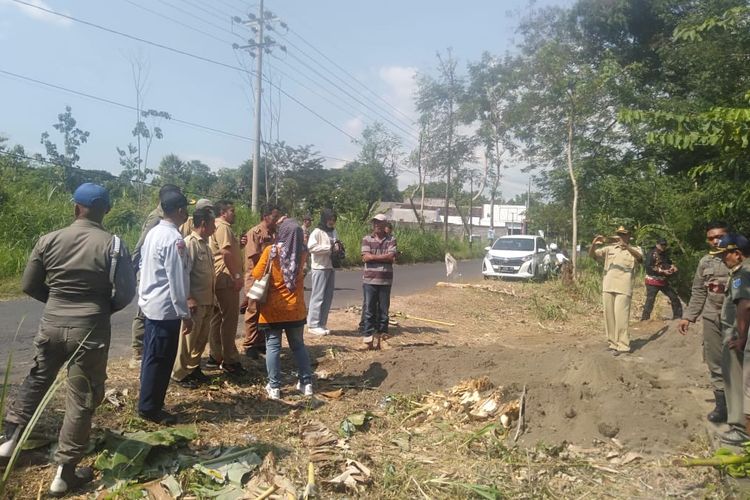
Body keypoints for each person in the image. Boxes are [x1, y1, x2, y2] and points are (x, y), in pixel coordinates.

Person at [0, 183, 136, 496]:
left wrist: (56, 301)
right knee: (81, 396)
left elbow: (28, 284)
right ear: (107, 211)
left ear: (75, 208)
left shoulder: (48, 239)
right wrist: (101, 309)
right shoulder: (114, 244)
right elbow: (127, 294)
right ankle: (64, 472)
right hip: (90, 329)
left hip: (51, 324)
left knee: (37, 379)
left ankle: (9, 441)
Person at [137, 190, 192, 425]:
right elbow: (177, 279)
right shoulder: (174, 239)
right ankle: (150, 407)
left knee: (151, 356)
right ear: (179, 211)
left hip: (152, 304)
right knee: (160, 359)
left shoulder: (154, 233)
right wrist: (184, 313)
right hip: (165, 309)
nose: (188, 213)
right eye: (186, 209)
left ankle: (147, 400)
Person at [129, 184, 191, 369]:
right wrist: (134, 269)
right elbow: (142, 245)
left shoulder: (171, 225)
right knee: (144, 316)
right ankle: (137, 351)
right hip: (153, 273)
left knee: (157, 357)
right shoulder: (156, 219)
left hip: (161, 269)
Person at [252, 219, 314, 400]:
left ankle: (275, 387)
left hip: (273, 309)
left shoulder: (271, 251)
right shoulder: (302, 252)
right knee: (298, 346)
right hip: (295, 308)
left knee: (273, 347)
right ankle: (306, 383)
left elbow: (257, 274)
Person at [678, 221, 730, 423]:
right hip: (711, 316)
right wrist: (688, 316)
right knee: (715, 361)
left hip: (736, 318)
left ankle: (742, 407)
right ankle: (722, 406)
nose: (716, 241)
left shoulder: (740, 258)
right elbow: (699, 291)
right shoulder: (705, 262)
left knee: (740, 362)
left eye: (720, 236)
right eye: (711, 238)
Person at [710, 234, 750, 445]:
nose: (724, 258)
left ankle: (739, 427)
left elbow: (744, 305)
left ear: (737, 254)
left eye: (726, 254)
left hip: (736, 335)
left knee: (735, 381)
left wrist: (741, 337)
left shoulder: (741, 274)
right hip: (739, 334)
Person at [171, 208, 216, 388]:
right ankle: (179, 373)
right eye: (213, 224)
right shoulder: (190, 243)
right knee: (188, 340)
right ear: (203, 224)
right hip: (195, 301)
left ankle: (193, 368)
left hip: (207, 300)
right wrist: (188, 298)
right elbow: (184, 273)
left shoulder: (205, 244)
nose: (215, 228)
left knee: (201, 339)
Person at [589, 226, 643, 355]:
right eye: (619, 234)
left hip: (624, 287)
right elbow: (593, 255)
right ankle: (613, 343)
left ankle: (623, 345)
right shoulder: (609, 249)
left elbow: (640, 259)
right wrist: (593, 243)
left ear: (629, 236)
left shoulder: (635, 249)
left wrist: (627, 247)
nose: (621, 237)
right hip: (608, 285)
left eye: (624, 235)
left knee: (621, 317)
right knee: (609, 316)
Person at [207, 200, 245, 374]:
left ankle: (215, 356)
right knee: (229, 320)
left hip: (216, 277)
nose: (234, 213)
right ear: (223, 212)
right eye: (232, 210)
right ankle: (230, 359)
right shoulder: (223, 227)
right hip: (226, 278)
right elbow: (226, 252)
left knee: (216, 318)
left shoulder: (214, 226)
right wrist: (237, 276)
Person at [241, 205, 281, 359]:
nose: (276, 220)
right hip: (256, 277)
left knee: (264, 311)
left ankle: (260, 342)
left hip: (269, 277)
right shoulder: (255, 233)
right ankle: (250, 344)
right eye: (274, 217)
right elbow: (254, 257)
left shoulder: (274, 234)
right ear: (265, 216)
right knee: (253, 311)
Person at [360, 214, 398, 350]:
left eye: (380, 223)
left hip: (385, 280)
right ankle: (368, 340)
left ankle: (383, 339)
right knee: (369, 310)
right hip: (370, 280)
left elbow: (391, 257)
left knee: (384, 311)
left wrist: (373, 257)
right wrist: (384, 257)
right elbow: (365, 258)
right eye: (375, 222)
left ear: (385, 224)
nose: (377, 225)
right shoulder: (366, 239)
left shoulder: (391, 239)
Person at [306, 209, 339, 336]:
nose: (332, 222)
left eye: (333, 220)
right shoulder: (317, 232)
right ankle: (313, 324)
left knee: (328, 296)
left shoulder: (333, 231)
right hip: (320, 267)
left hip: (330, 266)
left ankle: (321, 323)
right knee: (318, 296)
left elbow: (335, 245)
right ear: (324, 219)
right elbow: (311, 247)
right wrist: (328, 248)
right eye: (330, 219)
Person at [641, 238, 683, 320]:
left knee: (674, 297)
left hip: (663, 280)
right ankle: (644, 319)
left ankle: (677, 317)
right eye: (661, 245)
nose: (663, 246)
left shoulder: (664, 254)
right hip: (652, 281)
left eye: (664, 245)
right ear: (657, 244)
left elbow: (668, 262)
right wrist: (663, 271)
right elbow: (649, 267)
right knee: (650, 300)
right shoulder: (651, 254)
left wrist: (672, 267)